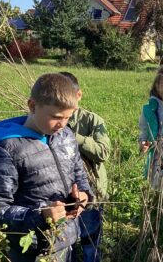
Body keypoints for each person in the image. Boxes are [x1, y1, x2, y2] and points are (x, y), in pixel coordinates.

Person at [0, 73, 94, 262]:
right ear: (32, 106)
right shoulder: (6, 149)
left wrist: (83, 196)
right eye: (56, 117)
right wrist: (40, 216)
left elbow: (79, 176)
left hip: (66, 241)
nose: (62, 124)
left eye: (68, 117)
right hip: (30, 250)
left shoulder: (66, 136)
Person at [59, 71, 110, 262]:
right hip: (63, 195)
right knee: (64, 242)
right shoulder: (48, 121)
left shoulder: (93, 121)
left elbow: (103, 152)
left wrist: (74, 137)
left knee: (90, 239)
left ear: (78, 95)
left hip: (91, 193)